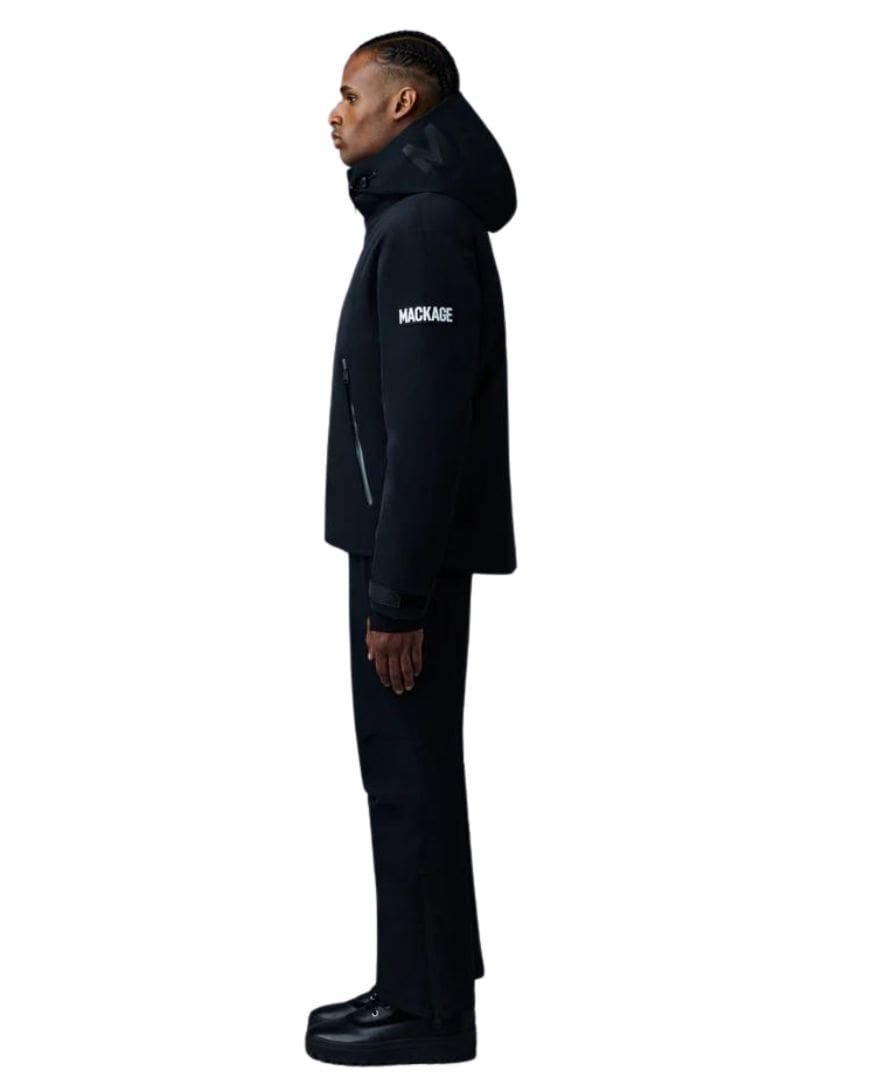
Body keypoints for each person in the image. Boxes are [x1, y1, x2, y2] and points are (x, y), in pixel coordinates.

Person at [306, 29, 517, 1066]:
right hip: (403, 554)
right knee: (414, 769)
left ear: (403, 105)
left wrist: (397, 600)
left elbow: (427, 429)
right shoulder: (414, 217)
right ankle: (427, 982)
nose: (333, 113)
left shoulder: (425, 226)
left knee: (407, 774)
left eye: (350, 95)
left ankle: (424, 1009)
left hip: (406, 567)